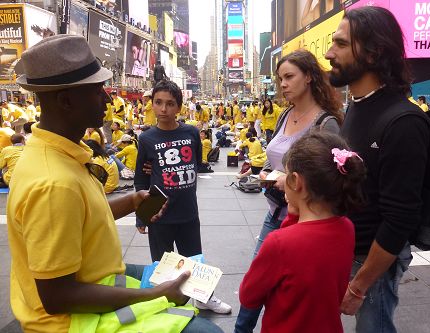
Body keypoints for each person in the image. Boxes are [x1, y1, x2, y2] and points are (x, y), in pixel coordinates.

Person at [8, 34, 222, 333]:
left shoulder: (59, 154)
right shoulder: (53, 183)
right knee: (208, 331)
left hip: (99, 276)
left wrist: (131, 202)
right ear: (66, 100)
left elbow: (78, 219)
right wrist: (153, 296)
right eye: (98, 91)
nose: (109, 99)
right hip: (71, 322)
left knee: (173, 273)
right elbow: (57, 297)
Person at [325, 7, 429, 332]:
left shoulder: (403, 122)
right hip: (350, 250)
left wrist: (359, 285)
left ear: (373, 54)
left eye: (341, 44)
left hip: (373, 262)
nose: (329, 53)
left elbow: (399, 219)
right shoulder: (357, 105)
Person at [235, 49, 344, 331]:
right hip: (275, 211)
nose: (282, 84)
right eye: (279, 78)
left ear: (308, 77)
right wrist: (263, 171)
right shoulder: (284, 114)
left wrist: (289, 181)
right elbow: (277, 156)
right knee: (256, 283)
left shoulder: (325, 122)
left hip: (306, 221)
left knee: (293, 295)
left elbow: (330, 176)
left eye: (289, 76)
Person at [236, 132, 365, 333]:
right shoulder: (346, 227)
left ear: (296, 181)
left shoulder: (279, 243)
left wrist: (292, 214)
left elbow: (248, 296)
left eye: (284, 175)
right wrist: (296, 213)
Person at [134, 80, 231, 314]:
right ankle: (163, 304)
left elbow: (196, 162)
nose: (163, 109)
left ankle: (203, 297)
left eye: (170, 104)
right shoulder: (146, 138)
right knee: (161, 264)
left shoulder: (190, 132)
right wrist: (142, 216)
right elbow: (140, 178)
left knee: (194, 258)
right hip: (159, 212)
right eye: (158, 103)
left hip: (188, 210)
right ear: (152, 105)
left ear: (179, 107)